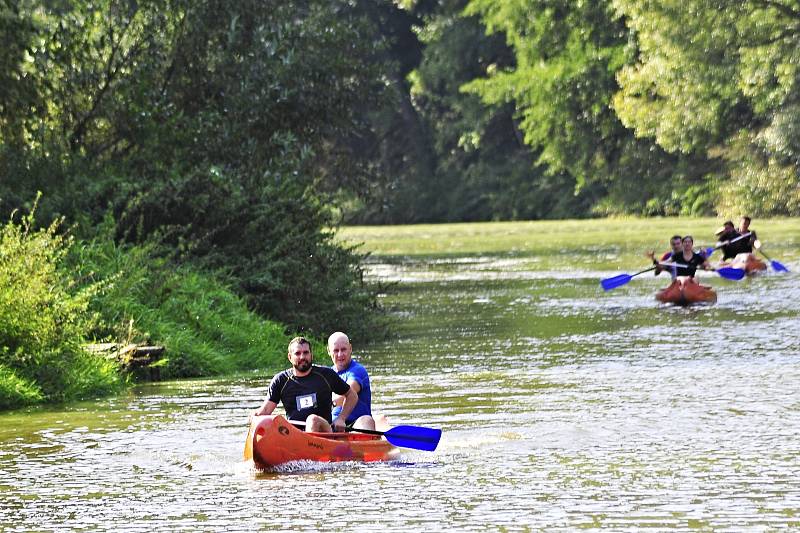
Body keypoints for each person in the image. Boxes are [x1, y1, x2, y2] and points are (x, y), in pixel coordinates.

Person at [253, 336, 358, 432]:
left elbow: (352, 395)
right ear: (290, 357)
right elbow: (266, 410)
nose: (302, 357)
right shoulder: (280, 380)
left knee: (312, 420)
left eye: (306, 353)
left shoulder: (326, 375)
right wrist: (255, 417)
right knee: (275, 421)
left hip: (324, 432)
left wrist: (341, 418)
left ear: (311, 355)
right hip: (295, 435)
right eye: (297, 353)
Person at [328, 332, 376, 431]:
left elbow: (348, 393)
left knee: (366, 420)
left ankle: (365, 443)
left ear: (350, 348)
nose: (340, 354)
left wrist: (327, 403)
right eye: (336, 350)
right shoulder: (327, 373)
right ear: (329, 351)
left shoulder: (358, 371)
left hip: (357, 423)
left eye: (343, 349)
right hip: (333, 423)